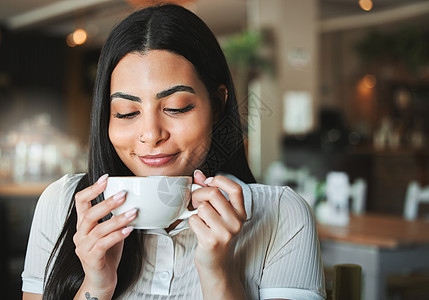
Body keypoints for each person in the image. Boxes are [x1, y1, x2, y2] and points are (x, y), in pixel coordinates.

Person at [22, 4, 326, 300]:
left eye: (176, 108)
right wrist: (96, 287)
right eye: (127, 112)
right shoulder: (62, 205)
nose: (151, 134)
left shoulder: (280, 215)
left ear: (217, 106)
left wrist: (218, 273)